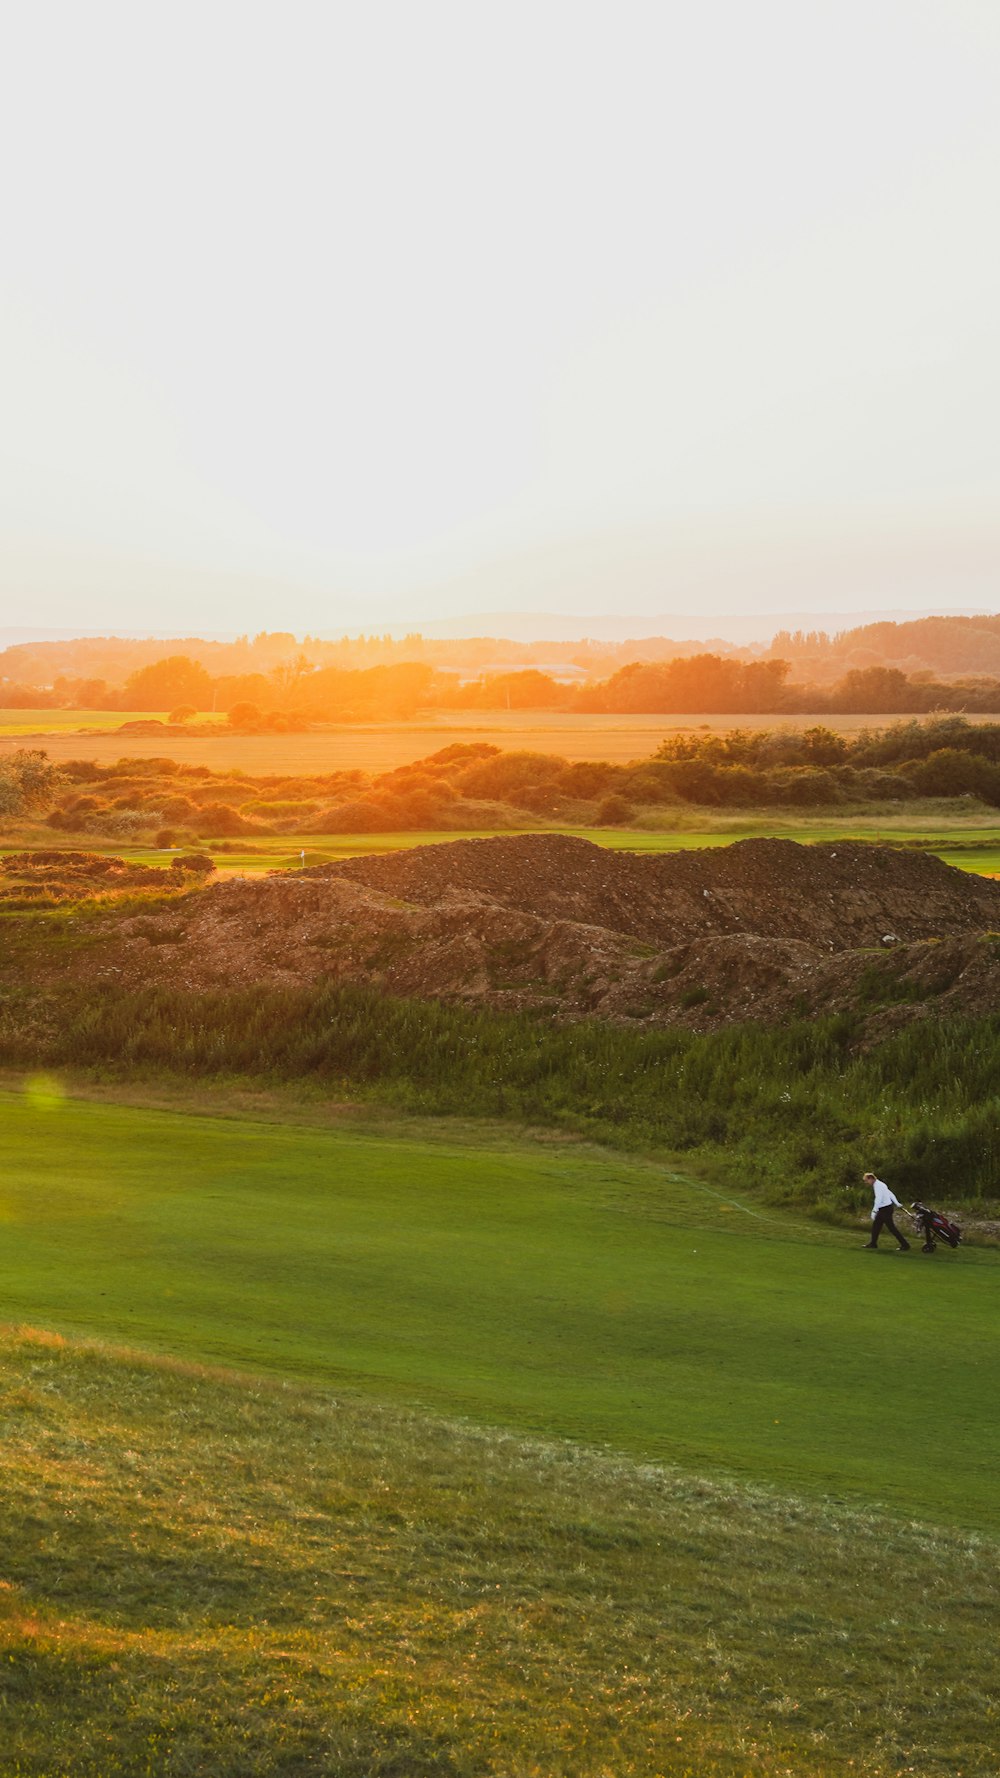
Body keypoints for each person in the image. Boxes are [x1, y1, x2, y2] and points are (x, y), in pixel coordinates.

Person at [862, 1172, 910, 1250]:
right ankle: (873, 1244)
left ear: (871, 1178)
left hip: (885, 1209)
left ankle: (905, 1245)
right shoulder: (880, 1184)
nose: (866, 1182)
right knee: (876, 1226)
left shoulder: (878, 1186)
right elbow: (890, 1193)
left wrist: (874, 1210)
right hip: (884, 1209)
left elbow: (878, 1198)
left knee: (891, 1228)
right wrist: (896, 1203)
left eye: (866, 1180)